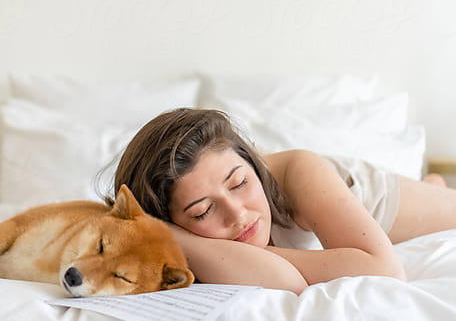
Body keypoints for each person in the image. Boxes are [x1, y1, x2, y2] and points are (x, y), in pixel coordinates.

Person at [106, 108, 456, 295]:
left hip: (355, 193)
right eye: (203, 210)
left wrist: (244, 252)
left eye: (240, 182)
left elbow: (385, 271)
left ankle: (432, 184)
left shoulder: (299, 171)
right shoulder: (172, 235)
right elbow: (286, 283)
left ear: (253, 164)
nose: (238, 213)